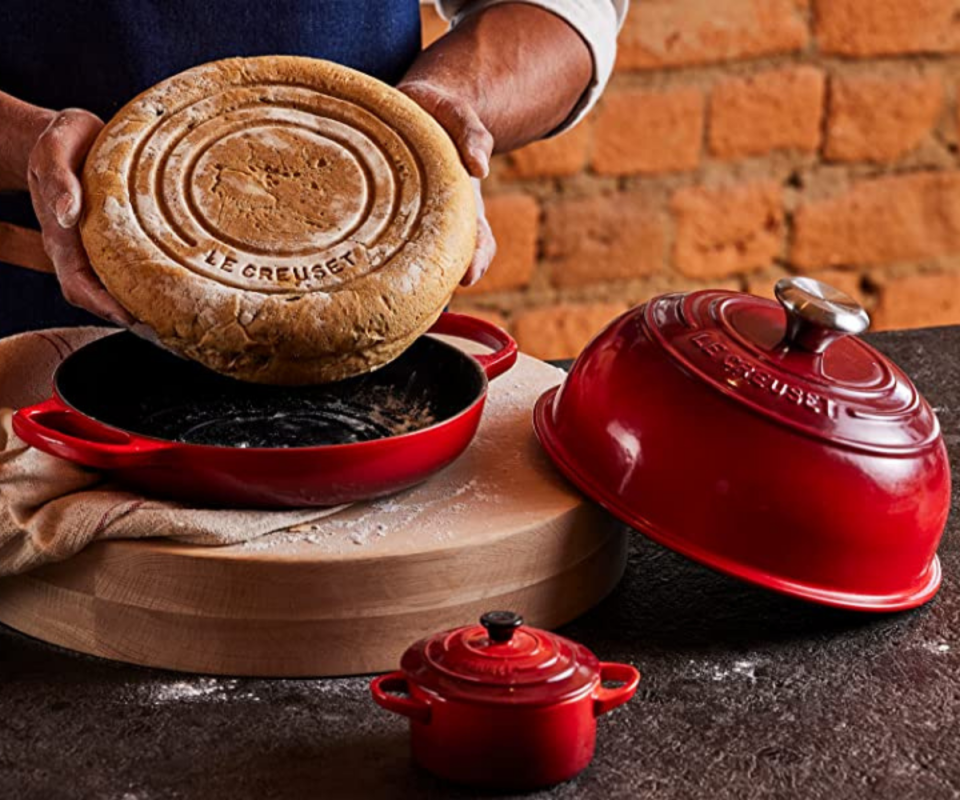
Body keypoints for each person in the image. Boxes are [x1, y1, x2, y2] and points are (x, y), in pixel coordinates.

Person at [0, 1, 625, 339]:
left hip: (353, 331)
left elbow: (564, 12)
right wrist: (33, 143)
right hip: (25, 323)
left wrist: (440, 113)